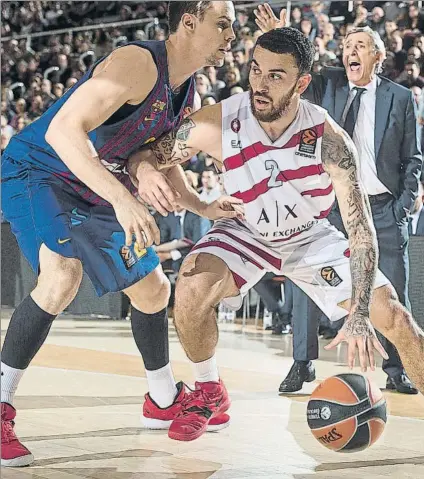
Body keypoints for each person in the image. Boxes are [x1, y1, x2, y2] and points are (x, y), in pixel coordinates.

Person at [131, 27, 424, 443]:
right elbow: (148, 153)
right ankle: (209, 388)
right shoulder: (222, 120)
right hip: (246, 229)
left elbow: (360, 233)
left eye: (275, 76)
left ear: (302, 83)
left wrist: (358, 315)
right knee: (192, 288)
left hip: (309, 238)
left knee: (394, 315)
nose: (259, 85)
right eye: (255, 70)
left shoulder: (328, 139)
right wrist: (149, 173)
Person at [0, 1, 241, 467]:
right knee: (61, 276)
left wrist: (202, 206)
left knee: (154, 291)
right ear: (189, 22)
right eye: (223, 23)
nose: (232, 34)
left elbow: (160, 160)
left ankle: (162, 399)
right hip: (39, 171)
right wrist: (124, 199)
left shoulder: (186, 89)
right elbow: (65, 132)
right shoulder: (136, 63)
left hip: (96, 185)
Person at [254, 7, 422, 395]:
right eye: (348, 45)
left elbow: (413, 158)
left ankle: (397, 369)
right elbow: (303, 63)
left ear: (377, 57)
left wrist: (401, 207)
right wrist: (283, 32)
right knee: (306, 285)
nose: (352, 51)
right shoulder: (328, 84)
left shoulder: (399, 97)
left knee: (392, 292)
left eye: (361, 45)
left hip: (382, 210)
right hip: (329, 207)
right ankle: (302, 362)